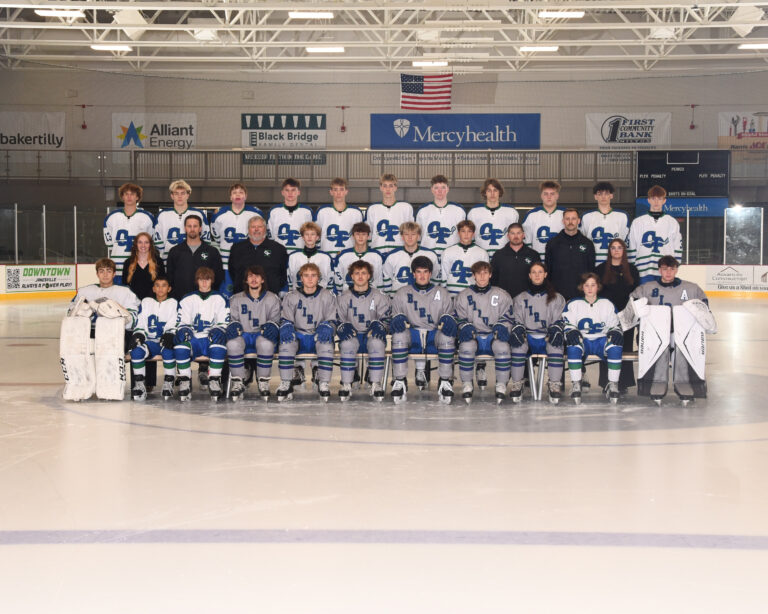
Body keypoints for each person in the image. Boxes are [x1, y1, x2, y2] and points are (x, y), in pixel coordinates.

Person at [628, 256, 713, 405]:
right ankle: (654, 383)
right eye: (665, 269)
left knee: (684, 348)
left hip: (680, 334)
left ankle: (687, 384)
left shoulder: (692, 288)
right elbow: (632, 304)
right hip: (655, 334)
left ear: (676, 270)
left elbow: (704, 307)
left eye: (672, 269)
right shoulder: (647, 288)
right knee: (657, 349)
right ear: (660, 270)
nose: (668, 272)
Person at [61, 258, 140, 401]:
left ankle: (111, 386)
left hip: (115, 333)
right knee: (75, 347)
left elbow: (133, 317)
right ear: (97, 273)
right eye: (101, 271)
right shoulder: (85, 291)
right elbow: (70, 312)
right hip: (90, 331)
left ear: (114, 274)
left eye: (109, 271)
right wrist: (81, 311)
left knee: (110, 351)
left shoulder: (124, 292)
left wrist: (118, 313)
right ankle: (80, 384)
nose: (105, 275)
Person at [390, 256, 457, 404]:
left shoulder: (442, 293)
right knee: (398, 335)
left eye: (425, 272)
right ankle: (400, 380)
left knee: (447, 337)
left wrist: (448, 319)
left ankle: (445, 380)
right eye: (418, 272)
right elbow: (394, 318)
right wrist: (398, 318)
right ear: (413, 274)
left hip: (434, 334)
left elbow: (451, 317)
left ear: (431, 273)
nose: (422, 275)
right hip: (412, 334)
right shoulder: (402, 293)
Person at [454, 261, 515, 404]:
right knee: (466, 348)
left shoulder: (501, 294)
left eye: (485, 273)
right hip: (473, 336)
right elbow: (458, 317)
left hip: (492, 337)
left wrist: (502, 326)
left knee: (503, 348)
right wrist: (464, 326)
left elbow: (508, 316)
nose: (482, 276)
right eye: (479, 273)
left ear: (490, 275)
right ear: (474, 276)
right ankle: (467, 383)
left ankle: (501, 384)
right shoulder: (463, 295)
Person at [276, 263, 338, 402]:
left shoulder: (328, 295)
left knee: (326, 343)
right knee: (286, 343)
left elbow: (333, 320)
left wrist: (328, 326)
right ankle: (286, 382)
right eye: (306, 275)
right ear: (301, 278)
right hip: (299, 336)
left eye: (313, 275)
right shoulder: (291, 296)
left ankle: (323, 382)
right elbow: (286, 319)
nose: (310, 279)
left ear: (319, 278)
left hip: (317, 336)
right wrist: (286, 325)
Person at [509, 262, 567, 404]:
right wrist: (518, 329)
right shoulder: (520, 298)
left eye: (540, 272)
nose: (537, 275)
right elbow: (517, 320)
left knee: (556, 346)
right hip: (528, 337)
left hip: (546, 337)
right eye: (533, 272)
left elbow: (559, 320)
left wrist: (556, 329)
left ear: (545, 274)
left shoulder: (556, 297)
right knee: (517, 346)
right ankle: (517, 383)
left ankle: (554, 385)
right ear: (529, 275)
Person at [562, 272, 624, 404]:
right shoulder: (574, 304)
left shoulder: (606, 304)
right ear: (582, 287)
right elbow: (567, 323)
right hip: (583, 339)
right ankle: (576, 383)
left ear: (598, 287)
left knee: (615, 346)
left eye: (593, 285)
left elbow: (615, 324)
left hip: (601, 340)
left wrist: (616, 332)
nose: (590, 288)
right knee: (573, 346)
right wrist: (571, 331)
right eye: (586, 285)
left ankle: (613, 384)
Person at [336, 260, 391, 402]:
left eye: (364, 273)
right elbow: (338, 320)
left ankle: (375, 383)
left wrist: (381, 325)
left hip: (370, 336)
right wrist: (342, 326)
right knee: (347, 343)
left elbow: (387, 320)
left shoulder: (379, 296)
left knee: (377, 342)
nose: (360, 276)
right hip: (353, 336)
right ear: (351, 276)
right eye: (357, 273)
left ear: (369, 276)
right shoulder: (343, 298)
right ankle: (346, 383)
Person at [173, 267, 230, 402]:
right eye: (201, 279)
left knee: (219, 344)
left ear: (212, 281)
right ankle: (185, 380)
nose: (204, 283)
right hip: (194, 339)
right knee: (180, 346)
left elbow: (224, 321)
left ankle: (214, 379)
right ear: (197, 281)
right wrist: (184, 329)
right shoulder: (187, 299)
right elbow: (182, 321)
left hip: (210, 338)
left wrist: (219, 329)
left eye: (207, 279)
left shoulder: (220, 298)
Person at [226, 265, 281, 401]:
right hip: (243, 335)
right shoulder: (236, 299)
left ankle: (263, 382)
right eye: (250, 276)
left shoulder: (272, 298)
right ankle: (238, 382)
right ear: (246, 280)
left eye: (257, 276)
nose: (254, 279)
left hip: (261, 336)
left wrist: (272, 326)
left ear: (262, 279)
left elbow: (276, 320)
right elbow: (232, 320)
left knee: (266, 344)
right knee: (232, 344)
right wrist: (233, 326)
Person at [596, 239, 640, 394]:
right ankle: (606, 382)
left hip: (626, 316)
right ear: (609, 251)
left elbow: (636, 294)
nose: (616, 251)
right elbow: (596, 293)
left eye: (619, 248)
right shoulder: (601, 269)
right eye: (613, 248)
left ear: (624, 251)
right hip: (607, 316)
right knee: (607, 347)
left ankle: (624, 382)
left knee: (625, 348)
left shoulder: (632, 270)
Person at [209, 183, 265, 294]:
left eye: (241, 192)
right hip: (225, 261)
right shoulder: (220, 213)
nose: (237, 195)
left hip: (247, 259)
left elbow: (260, 233)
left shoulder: (256, 213)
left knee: (247, 292)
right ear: (230, 197)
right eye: (234, 193)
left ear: (246, 196)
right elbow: (216, 235)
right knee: (227, 293)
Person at [129, 275, 178, 401]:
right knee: (136, 351)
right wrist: (139, 333)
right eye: (157, 285)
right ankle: (139, 384)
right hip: (150, 343)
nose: (160, 289)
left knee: (169, 350)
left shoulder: (174, 303)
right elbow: (141, 321)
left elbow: (175, 322)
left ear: (169, 288)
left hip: (164, 342)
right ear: (153, 288)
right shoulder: (146, 302)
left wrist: (170, 334)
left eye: (164, 285)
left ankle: (168, 382)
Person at [627, 185, 683, 283]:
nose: (656, 202)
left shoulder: (672, 222)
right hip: (643, 271)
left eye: (659, 198)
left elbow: (678, 246)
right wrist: (632, 267)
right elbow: (631, 246)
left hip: (665, 271)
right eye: (653, 198)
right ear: (648, 200)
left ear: (664, 200)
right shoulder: (638, 222)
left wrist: (673, 267)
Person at [103, 182, 156, 283]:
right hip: (117, 268)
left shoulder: (147, 217)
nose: (129, 197)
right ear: (122, 197)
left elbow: (150, 242)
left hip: (140, 266)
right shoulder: (111, 217)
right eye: (126, 194)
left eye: (132, 194)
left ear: (137, 197)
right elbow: (109, 243)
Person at [166, 214, 224, 301]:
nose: (192, 229)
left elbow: (218, 276)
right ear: (185, 228)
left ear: (200, 228)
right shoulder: (175, 251)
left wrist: (209, 294)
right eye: (189, 226)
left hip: (205, 300)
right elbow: (170, 277)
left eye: (195, 226)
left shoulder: (212, 251)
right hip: (181, 299)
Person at [228, 215, 289, 296]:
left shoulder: (278, 249)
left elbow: (283, 274)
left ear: (265, 229)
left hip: (270, 298)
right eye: (253, 227)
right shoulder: (237, 249)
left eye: (259, 226)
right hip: (242, 297)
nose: (256, 229)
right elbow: (232, 272)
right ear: (248, 229)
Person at [154, 180, 211, 263]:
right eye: (176, 193)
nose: (179, 196)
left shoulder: (199, 214)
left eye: (183, 193)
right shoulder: (162, 215)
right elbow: (158, 242)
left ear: (188, 195)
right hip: (169, 261)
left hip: (194, 261)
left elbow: (206, 240)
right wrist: (164, 256)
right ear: (172, 196)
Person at [545, 208, 596, 302]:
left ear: (578, 221)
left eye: (573, 218)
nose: (570, 222)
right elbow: (548, 271)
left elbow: (591, 271)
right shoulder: (552, 243)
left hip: (581, 295)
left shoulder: (587, 244)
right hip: (557, 296)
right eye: (567, 219)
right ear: (563, 221)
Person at [382, 221, 441, 295]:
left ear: (418, 236)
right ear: (402, 236)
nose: (410, 237)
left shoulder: (431, 255)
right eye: (406, 234)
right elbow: (387, 279)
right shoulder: (392, 256)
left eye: (413, 234)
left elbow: (435, 278)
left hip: (424, 298)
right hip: (399, 299)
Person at [415, 174, 466, 259]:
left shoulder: (459, 210)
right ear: (432, 190)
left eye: (443, 187)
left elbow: (465, 235)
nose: (439, 191)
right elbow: (418, 237)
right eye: (436, 188)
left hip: (453, 256)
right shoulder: (422, 211)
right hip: (427, 256)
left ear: (448, 189)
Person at [580, 181, 629, 266]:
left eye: (606, 193)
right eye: (600, 194)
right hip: (592, 263)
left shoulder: (622, 216)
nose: (603, 196)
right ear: (595, 196)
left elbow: (625, 242)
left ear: (611, 195)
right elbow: (582, 241)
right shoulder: (586, 217)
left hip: (615, 263)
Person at [467, 179, 519, 257]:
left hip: (505, 256)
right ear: (485, 193)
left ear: (500, 192)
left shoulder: (511, 212)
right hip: (480, 256)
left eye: (495, 190)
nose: (492, 193)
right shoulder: (474, 212)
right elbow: (470, 237)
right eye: (489, 190)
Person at [365, 173, 414, 253]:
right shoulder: (373, 209)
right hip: (377, 252)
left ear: (395, 188)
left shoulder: (406, 208)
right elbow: (368, 232)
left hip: (400, 252)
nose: (388, 189)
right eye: (385, 186)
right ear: (380, 188)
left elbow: (411, 231)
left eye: (391, 186)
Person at [490, 222, 541, 299]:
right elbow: (493, 280)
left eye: (518, 233)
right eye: (512, 233)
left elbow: (539, 279)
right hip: (504, 299)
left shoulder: (533, 255)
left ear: (523, 235)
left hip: (527, 300)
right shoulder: (498, 255)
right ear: (508, 236)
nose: (516, 236)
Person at [315, 178, 364, 257]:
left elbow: (362, 236)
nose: (338, 193)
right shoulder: (322, 211)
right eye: (335, 190)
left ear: (346, 191)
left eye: (341, 189)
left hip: (349, 256)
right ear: (331, 192)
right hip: (326, 255)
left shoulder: (356, 212)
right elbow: (316, 234)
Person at [332, 222, 386, 293]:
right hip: (348, 296)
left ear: (368, 236)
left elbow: (379, 281)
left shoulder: (377, 256)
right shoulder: (342, 256)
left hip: (371, 295)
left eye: (363, 234)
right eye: (357, 234)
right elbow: (338, 281)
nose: (360, 237)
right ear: (353, 236)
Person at [440, 219, 489, 295]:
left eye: (469, 231)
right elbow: (444, 274)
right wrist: (444, 291)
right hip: (451, 294)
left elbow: (484, 275)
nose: (466, 234)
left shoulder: (482, 253)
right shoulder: (448, 251)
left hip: (473, 294)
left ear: (473, 234)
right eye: (463, 231)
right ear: (458, 233)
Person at [266, 177, 314, 254]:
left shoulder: (307, 211)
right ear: (282, 192)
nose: (290, 193)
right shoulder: (274, 211)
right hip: (279, 254)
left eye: (293, 190)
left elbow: (312, 234)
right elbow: (270, 235)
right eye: (287, 190)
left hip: (301, 254)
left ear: (298, 192)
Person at [522, 180, 564, 258]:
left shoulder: (565, 214)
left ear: (557, 196)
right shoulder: (531, 215)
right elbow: (527, 242)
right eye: (546, 194)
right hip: (538, 262)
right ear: (541, 195)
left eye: (552, 194)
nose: (549, 197)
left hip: (560, 261)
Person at [287, 222, 334, 292]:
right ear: (302, 237)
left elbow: (330, 279)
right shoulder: (293, 256)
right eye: (306, 234)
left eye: (312, 234)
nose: (309, 237)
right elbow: (289, 278)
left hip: (320, 296)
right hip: (298, 295)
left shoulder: (326, 257)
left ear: (317, 237)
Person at [121, 231, 165, 300]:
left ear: (150, 244)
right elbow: (125, 286)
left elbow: (162, 285)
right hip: (133, 303)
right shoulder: (128, 262)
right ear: (136, 244)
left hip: (153, 302)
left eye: (146, 242)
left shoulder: (158, 262)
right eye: (140, 242)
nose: (143, 245)